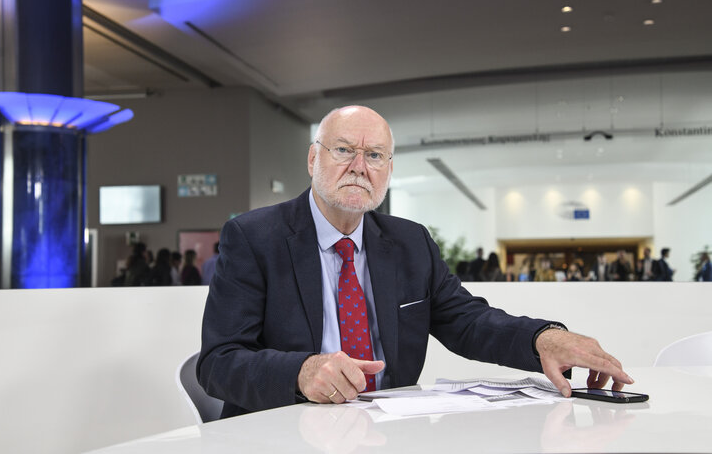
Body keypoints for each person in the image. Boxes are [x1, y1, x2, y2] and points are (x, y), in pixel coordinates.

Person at [198, 105, 632, 419]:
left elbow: (467, 321)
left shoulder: (410, 242)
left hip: (388, 430)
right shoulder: (255, 237)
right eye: (344, 150)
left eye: (374, 156)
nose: (359, 167)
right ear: (314, 159)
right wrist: (302, 371)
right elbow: (218, 362)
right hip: (284, 429)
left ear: (389, 169)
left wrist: (542, 338)